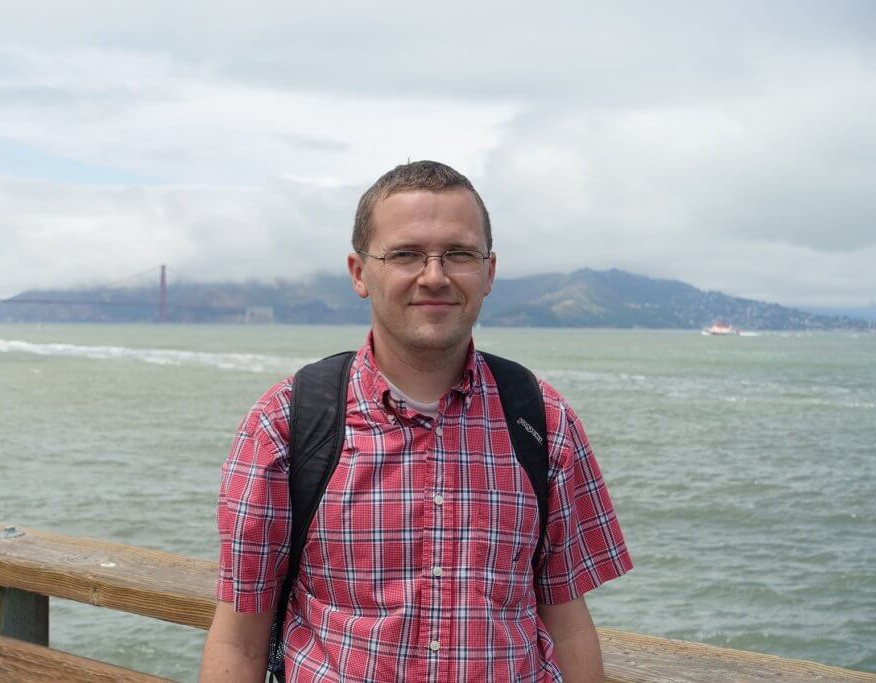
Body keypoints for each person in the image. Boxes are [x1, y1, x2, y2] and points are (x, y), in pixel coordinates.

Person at [201, 161, 632, 682]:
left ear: (489, 272)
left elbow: (568, 626)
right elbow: (239, 641)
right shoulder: (285, 425)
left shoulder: (543, 422)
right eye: (405, 254)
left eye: (459, 254)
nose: (434, 275)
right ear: (360, 273)